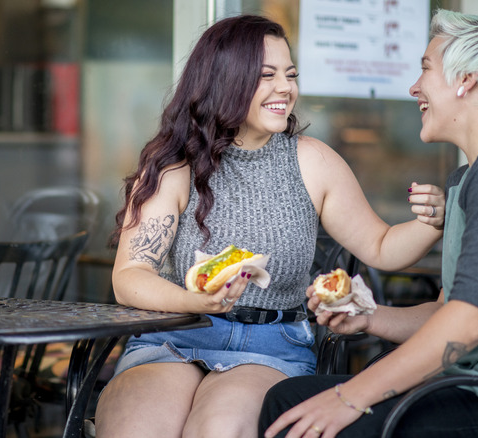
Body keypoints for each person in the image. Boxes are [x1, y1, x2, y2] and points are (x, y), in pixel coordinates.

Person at [94, 15, 445, 438]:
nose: (286, 88)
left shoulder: (312, 161)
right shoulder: (175, 167)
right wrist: (197, 301)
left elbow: (383, 246)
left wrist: (432, 222)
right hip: (171, 337)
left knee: (219, 430)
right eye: (267, 75)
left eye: (290, 74)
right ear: (226, 80)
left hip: (270, 347)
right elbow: (131, 277)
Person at [260, 9, 478, 438]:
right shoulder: (472, 175)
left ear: (466, 80)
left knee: (299, 413)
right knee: (288, 400)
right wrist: (369, 317)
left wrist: (351, 397)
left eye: (425, 70)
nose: (414, 87)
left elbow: (471, 320)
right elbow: (445, 311)